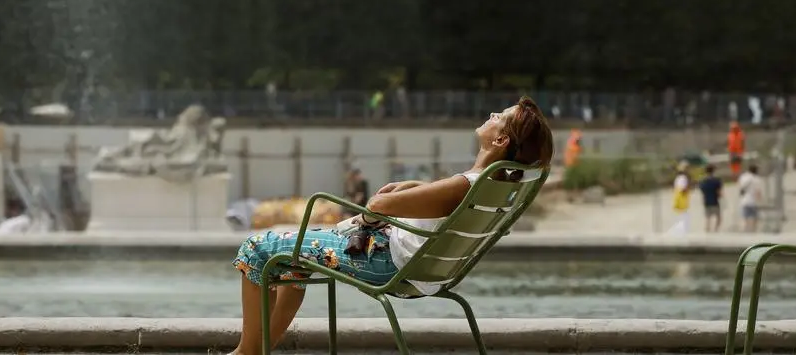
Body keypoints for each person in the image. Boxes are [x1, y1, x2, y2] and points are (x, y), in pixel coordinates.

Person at [226, 97, 554, 355]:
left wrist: (374, 214)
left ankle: (246, 353)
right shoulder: (484, 187)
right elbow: (436, 202)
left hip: (384, 261)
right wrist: (412, 188)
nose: (493, 114)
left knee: (256, 248)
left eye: (500, 117)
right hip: (417, 267)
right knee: (291, 262)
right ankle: (254, 352)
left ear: (499, 140)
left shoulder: (464, 186)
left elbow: (378, 207)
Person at [737, 164, 764, 232]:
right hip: (753, 202)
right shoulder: (757, 179)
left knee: (744, 218)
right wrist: (760, 201)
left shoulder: (743, 177)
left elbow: (740, 187)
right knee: (754, 218)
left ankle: (744, 231)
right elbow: (758, 192)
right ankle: (753, 232)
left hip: (744, 201)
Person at [697, 164, 724, 232]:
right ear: (713, 171)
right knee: (718, 218)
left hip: (706, 202)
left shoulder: (702, 181)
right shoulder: (717, 180)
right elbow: (719, 193)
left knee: (708, 218)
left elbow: (702, 191)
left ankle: (707, 231)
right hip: (715, 201)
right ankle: (715, 230)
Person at [668, 162, 692, 235]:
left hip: (681, 201)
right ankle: (673, 234)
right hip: (681, 202)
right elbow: (682, 189)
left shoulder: (679, 178)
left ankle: (678, 233)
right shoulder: (683, 178)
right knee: (684, 221)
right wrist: (688, 187)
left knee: (682, 220)